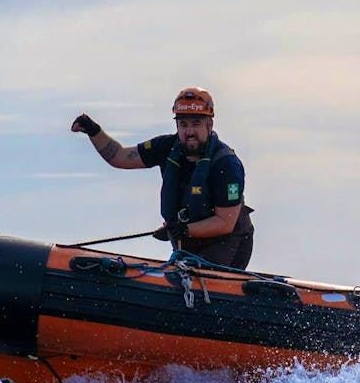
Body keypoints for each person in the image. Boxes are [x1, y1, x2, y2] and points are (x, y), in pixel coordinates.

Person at [71, 87, 254, 269]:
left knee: (196, 286)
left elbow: (225, 223)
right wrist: (93, 131)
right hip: (187, 239)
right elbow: (120, 157)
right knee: (180, 282)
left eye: (196, 123)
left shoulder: (226, 164)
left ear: (210, 124)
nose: (189, 131)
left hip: (227, 241)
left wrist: (183, 229)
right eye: (183, 125)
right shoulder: (165, 147)